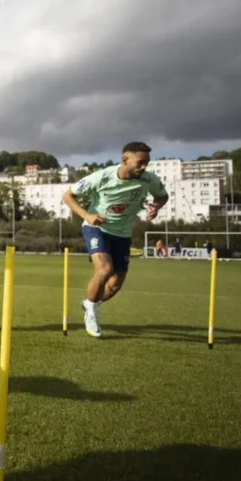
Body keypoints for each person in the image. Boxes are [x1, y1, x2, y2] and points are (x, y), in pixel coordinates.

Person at [62, 141, 169, 338]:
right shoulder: (102, 176)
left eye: (147, 163)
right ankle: (92, 313)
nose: (144, 167)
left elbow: (163, 196)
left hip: (123, 233)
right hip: (97, 228)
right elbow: (68, 196)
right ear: (125, 160)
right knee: (105, 270)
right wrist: (87, 216)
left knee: (114, 285)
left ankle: (89, 303)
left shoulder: (149, 179)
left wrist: (157, 206)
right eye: (140, 162)